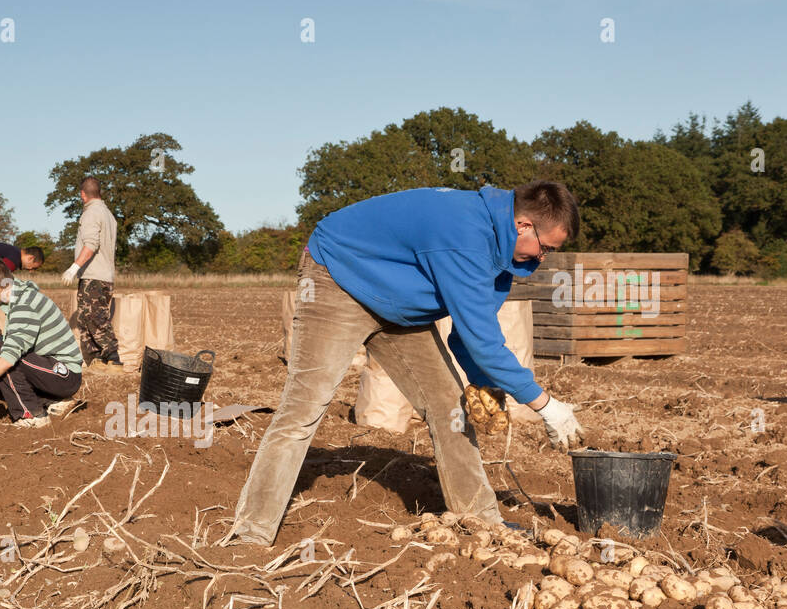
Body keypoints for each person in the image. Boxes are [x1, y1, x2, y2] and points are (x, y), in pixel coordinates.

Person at [230, 181, 587, 546]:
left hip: (398, 305)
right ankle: (252, 532)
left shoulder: (503, 258)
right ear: (523, 225)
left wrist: (484, 388)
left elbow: (468, 337)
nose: (543, 258)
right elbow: (484, 343)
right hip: (339, 279)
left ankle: (481, 522)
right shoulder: (465, 235)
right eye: (545, 248)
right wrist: (545, 405)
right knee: (303, 409)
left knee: (452, 407)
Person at [0, 257, 82, 427]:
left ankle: (31, 415)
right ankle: (54, 400)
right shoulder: (20, 295)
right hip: (53, 371)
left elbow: (8, 358)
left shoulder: (24, 305)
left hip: (65, 375)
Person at [61, 176, 120, 369]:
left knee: (95, 318)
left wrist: (74, 267)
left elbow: (91, 244)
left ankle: (113, 358)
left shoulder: (91, 213)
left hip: (94, 276)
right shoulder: (108, 214)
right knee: (87, 317)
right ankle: (97, 361)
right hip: (105, 276)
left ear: (82, 195)